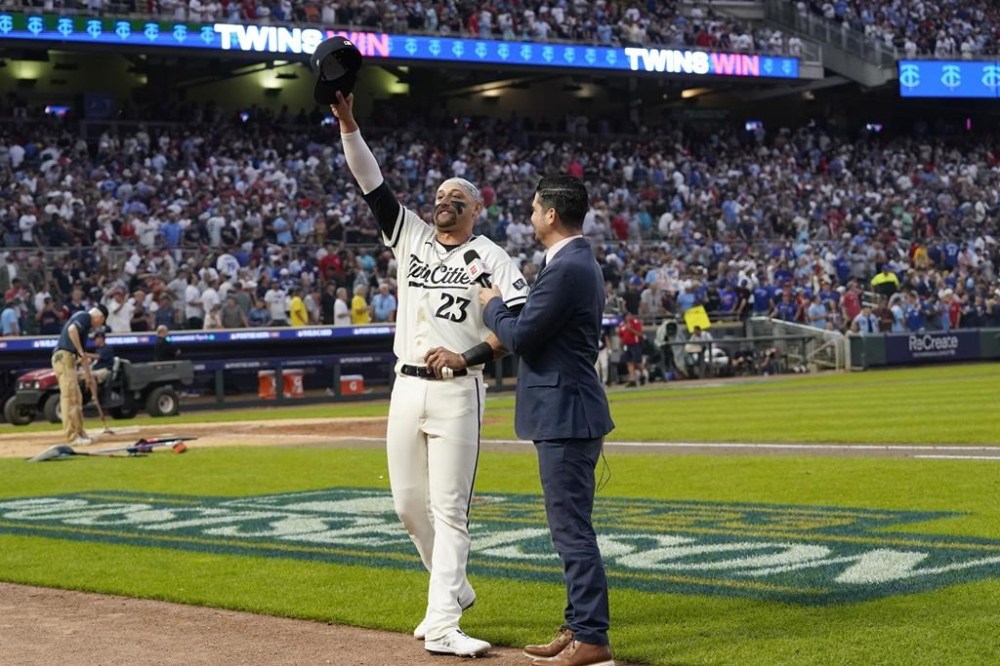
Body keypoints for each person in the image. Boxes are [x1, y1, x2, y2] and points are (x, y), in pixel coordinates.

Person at [331, 90, 528, 659]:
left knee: (450, 509)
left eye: (455, 196)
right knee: (407, 507)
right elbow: (371, 181)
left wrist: (467, 358)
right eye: (440, 194)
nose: (443, 200)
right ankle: (456, 589)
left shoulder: (492, 256)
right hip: (406, 384)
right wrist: (349, 124)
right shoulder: (411, 234)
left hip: (457, 391)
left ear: (475, 209)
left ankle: (442, 623)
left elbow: (513, 329)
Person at [479, 174, 616, 666]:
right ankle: (578, 625)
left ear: (552, 214)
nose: (531, 216)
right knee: (570, 528)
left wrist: (491, 306)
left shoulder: (567, 266)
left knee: (571, 531)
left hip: (566, 414)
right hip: (568, 411)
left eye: (535, 209)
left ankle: (592, 638)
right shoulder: (572, 261)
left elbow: (522, 337)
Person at [52, 304, 108, 446]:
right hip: (64, 357)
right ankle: (72, 437)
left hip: (68, 359)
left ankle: (80, 433)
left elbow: (81, 356)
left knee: (77, 398)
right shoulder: (84, 316)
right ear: (100, 317)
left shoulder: (84, 329)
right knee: (70, 397)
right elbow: (72, 330)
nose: (99, 325)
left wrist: (88, 377)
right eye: (101, 322)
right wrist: (80, 351)